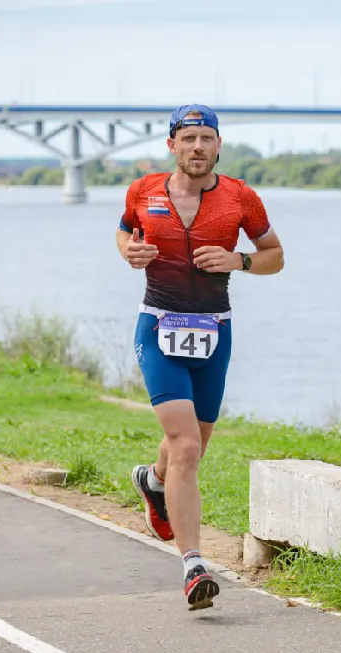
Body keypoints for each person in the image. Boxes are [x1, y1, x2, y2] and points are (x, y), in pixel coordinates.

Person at [116, 104, 285, 610]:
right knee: (185, 444)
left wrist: (240, 260)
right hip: (158, 325)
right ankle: (194, 566)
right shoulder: (143, 191)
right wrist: (129, 251)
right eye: (187, 137)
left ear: (217, 145)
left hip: (215, 330)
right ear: (172, 144)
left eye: (206, 138)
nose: (197, 147)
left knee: (194, 446)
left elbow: (275, 255)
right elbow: (125, 231)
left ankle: (152, 481)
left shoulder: (240, 197)